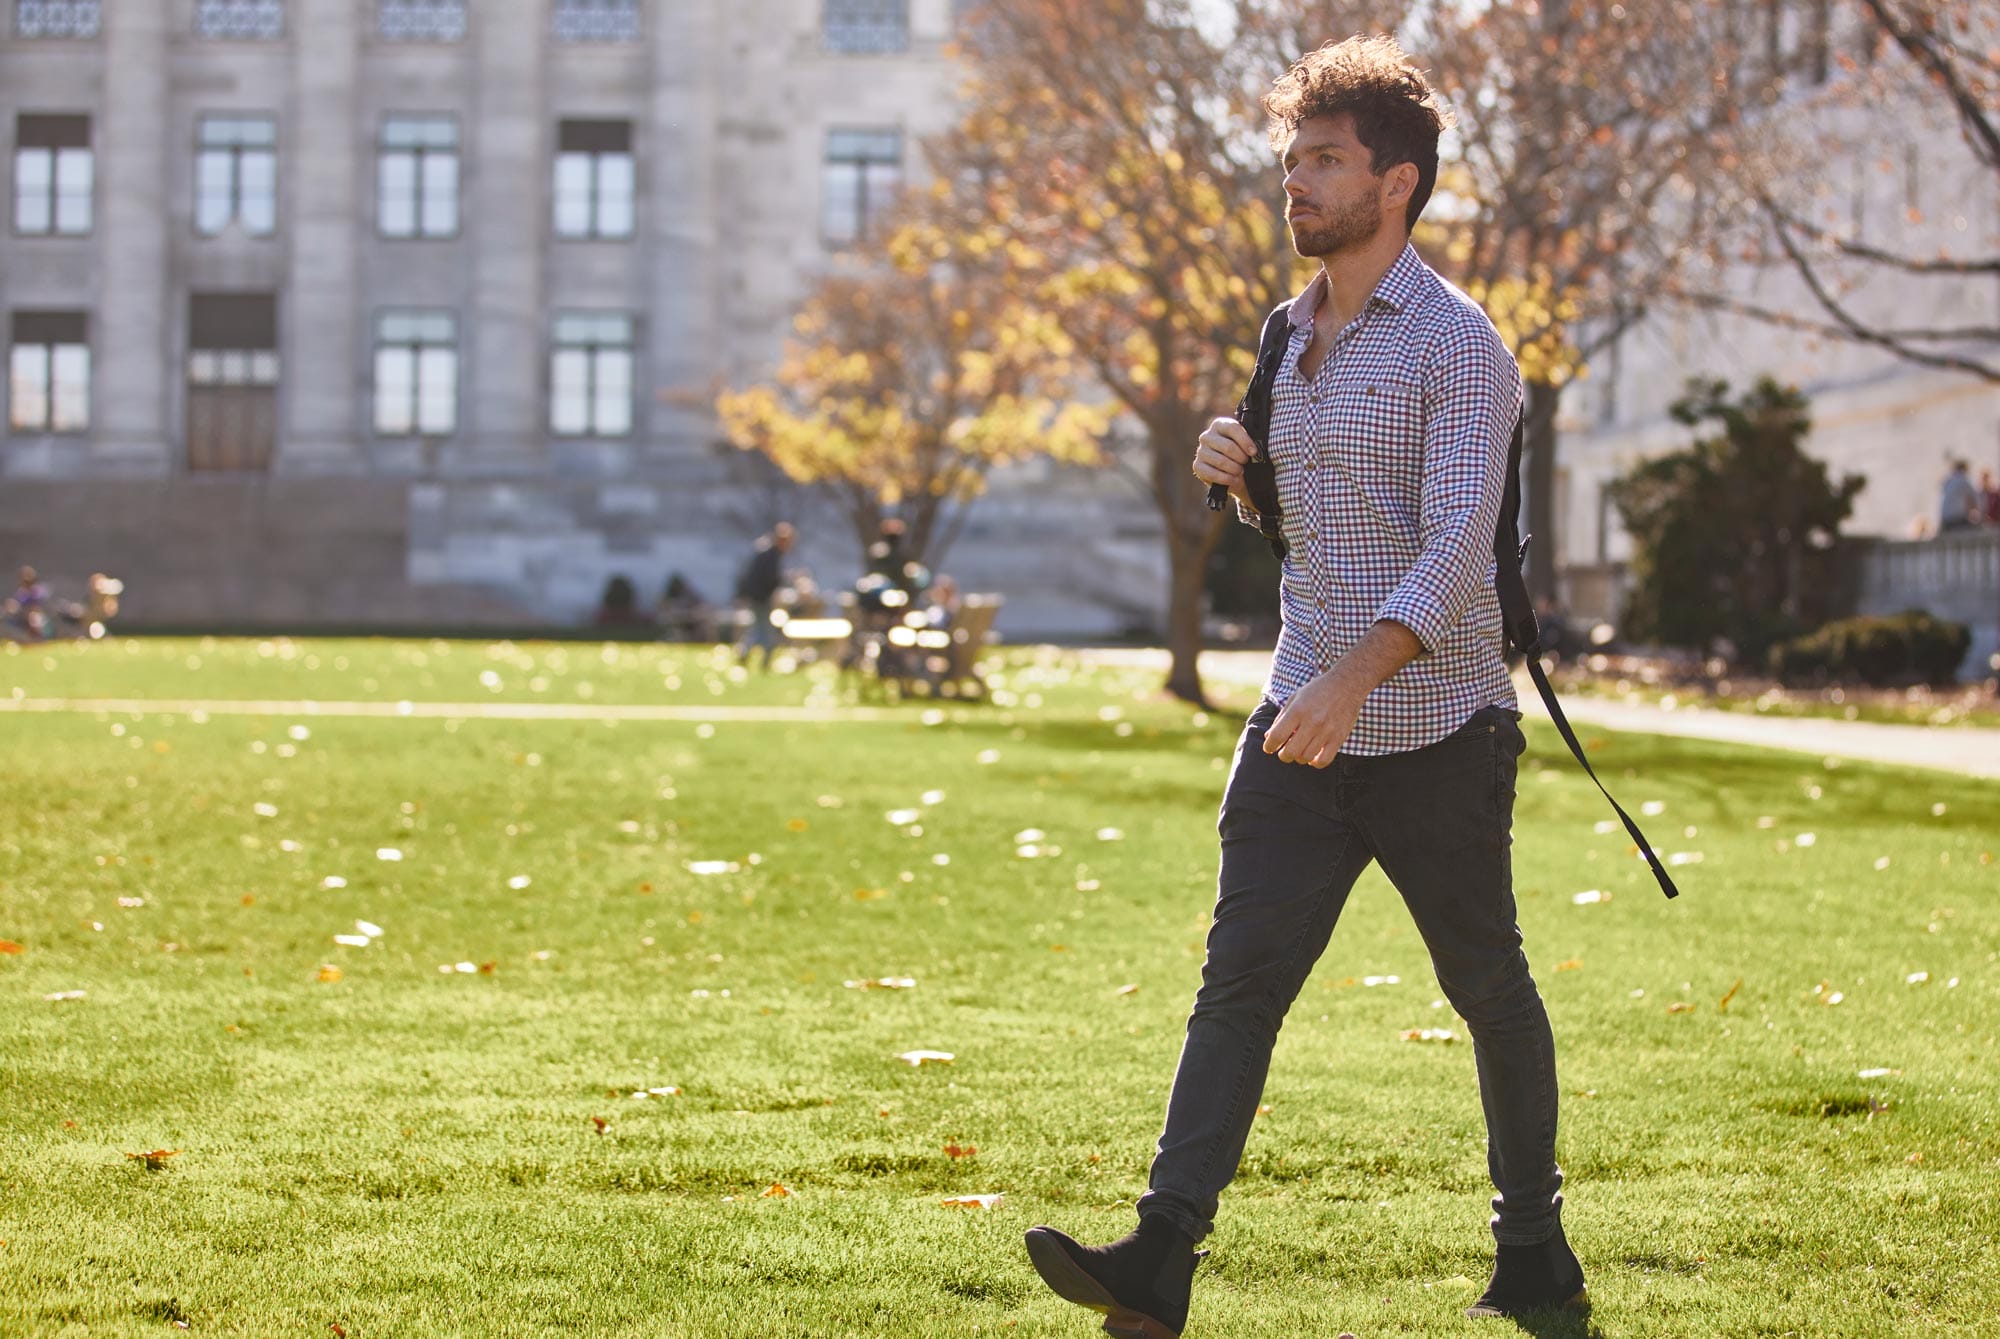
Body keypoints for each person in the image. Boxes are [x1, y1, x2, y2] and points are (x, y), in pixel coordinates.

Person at [1024, 37, 1582, 1334]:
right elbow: (1314, 523)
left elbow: (1453, 547)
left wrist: (1355, 679)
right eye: (1292, 160)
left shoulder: (1463, 347)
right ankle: (1160, 1256)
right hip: (1301, 718)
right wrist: (1242, 466)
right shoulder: (1287, 333)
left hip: (1437, 725)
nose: (1296, 181)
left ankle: (1535, 1249)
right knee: (1240, 981)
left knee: (1488, 985)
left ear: (1396, 180)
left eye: (1324, 160)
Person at [733, 522, 794, 669]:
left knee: (757, 627)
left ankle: (745, 651)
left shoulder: (766, 552)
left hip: (757, 595)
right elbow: (770, 578)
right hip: (760, 596)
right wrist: (786, 580)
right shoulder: (771, 555)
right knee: (763, 628)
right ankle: (761, 656)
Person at [4, 566, 51, 641]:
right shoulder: (21, 593)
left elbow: (39, 608)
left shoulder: (38, 592)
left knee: (34, 618)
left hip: (39, 619)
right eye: (25, 580)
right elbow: (17, 606)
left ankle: (39, 639)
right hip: (23, 618)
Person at [1938, 460, 1978, 533]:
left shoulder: (1948, 481)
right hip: (1957, 519)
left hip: (1945, 519)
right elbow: (1974, 501)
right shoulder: (1964, 480)